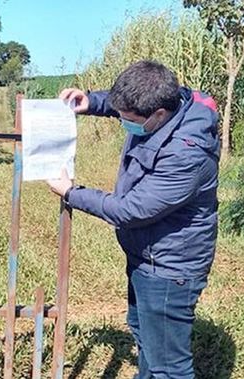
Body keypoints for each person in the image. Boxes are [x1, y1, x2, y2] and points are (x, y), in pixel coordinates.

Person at [48, 60, 220, 379]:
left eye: (129, 120)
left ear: (158, 115)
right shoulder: (169, 103)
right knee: (145, 337)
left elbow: (131, 210)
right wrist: (93, 102)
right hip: (148, 255)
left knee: (170, 367)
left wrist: (71, 192)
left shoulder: (186, 154)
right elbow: (127, 105)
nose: (123, 122)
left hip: (169, 269)